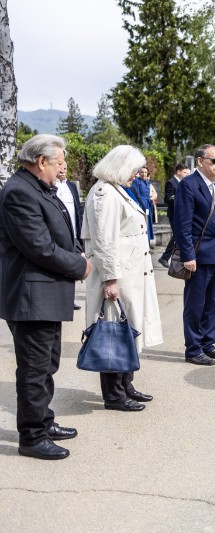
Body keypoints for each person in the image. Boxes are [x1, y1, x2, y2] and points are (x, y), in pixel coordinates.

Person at [0, 134, 92, 460]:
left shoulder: (36, 188)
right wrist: (79, 264)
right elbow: (39, 246)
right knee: (34, 369)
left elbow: (60, 232)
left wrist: (76, 254)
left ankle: (43, 420)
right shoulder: (19, 192)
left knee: (47, 364)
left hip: (46, 294)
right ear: (41, 162)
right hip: (31, 297)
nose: (61, 169)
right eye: (58, 163)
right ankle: (32, 436)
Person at [82, 145, 163, 412]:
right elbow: (103, 241)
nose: (137, 174)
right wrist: (110, 279)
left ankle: (126, 384)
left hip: (131, 275)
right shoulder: (104, 192)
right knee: (113, 333)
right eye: (133, 169)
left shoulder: (118, 190)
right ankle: (114, 395)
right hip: (118, 276)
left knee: (129, 330)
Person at [175, 144, 215, 366]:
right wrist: (188, 255)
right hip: (197, 255)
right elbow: (182, 225)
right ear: (200, 161)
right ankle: (193, 348)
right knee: (195, 304)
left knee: (214, 301)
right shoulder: (189, 185)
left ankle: (208, 343)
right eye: (214, 160)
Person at [54, 164, 84, 310]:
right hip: (59, 234)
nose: (62, 170)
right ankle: (60, 298)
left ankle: (70, 298)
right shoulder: (50, 185)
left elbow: (78, 209)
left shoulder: (71, 186)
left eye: (65, 168)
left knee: (72, 266)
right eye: (59, 167)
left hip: (74, 232)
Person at [158, 162, 189, 268]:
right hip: (175, 214)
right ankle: (165, 258)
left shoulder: (183, 182)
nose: (187, 175)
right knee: (177, 236)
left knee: (179, 236)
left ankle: (168, 258)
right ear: (178, 171)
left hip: (182, 214)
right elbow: (168, 197)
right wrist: (180, 201)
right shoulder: (171, 182)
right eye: (185, 172)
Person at [130, 166, 155, 243]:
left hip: (148, 205)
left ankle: (148, 241)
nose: (144, 174)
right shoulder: (136, 182)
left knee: (148, 223)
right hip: (141, 204)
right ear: (139, 173)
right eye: (142, 172)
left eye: (145, 172)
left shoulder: (147, 182)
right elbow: (136, 195)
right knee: (143, 223)